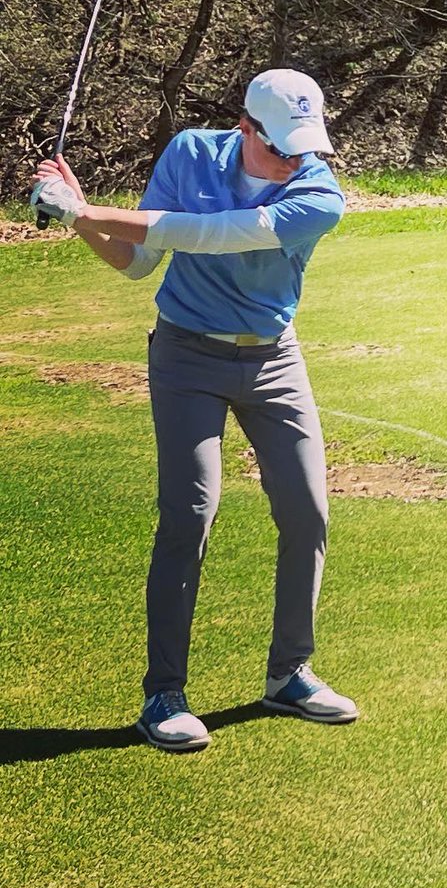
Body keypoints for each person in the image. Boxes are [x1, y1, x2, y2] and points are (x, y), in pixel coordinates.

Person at [31, 69, 358, 752]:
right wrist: (79, 214)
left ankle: (289, 672)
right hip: (185, 356)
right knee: (191, 512)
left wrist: (82, 212)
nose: (297, 160)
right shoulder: (188, 153)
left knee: (308, 510)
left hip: (274, 359)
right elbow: (136, 261)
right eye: (283, 148)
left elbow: (212, 235)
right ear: (246, 127)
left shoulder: (318, 196)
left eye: (307, 147)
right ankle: (164, 694)